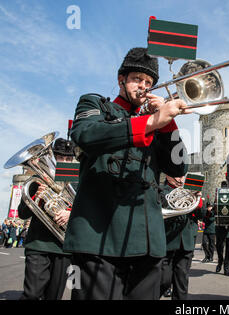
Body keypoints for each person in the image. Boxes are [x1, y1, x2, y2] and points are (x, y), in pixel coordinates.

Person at [64, 47, 191, 300]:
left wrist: (169, 123)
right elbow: (86, 135)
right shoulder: (95, 104)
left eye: (148, 82)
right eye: (137, 79)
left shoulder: (156, 121)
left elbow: (179, 167)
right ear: (121, 80)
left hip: (146, 242)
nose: (143, 86)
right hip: (98, 237)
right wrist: (152, 122)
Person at [18, 138, 75, 300]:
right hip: (39, 244)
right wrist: (37, 194)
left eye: (68, 158)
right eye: (61, 157)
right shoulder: (37, 180)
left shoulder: (76, 180)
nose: (65, 161)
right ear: (53, 157)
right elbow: (22, 214)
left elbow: (86, 207)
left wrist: (70, 212)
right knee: (32, 294)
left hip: (63, 247)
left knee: (54, 295)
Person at [159, 175, 203, 300]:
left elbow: (202, 214)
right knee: (164, 281)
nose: (180, 180)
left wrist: (199, 202)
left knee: (181, 283)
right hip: (168, 241)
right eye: (176, 176)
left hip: (186, 242)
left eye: (182, 176)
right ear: (168, 176)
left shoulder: (190, 191)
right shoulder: (161, 190)